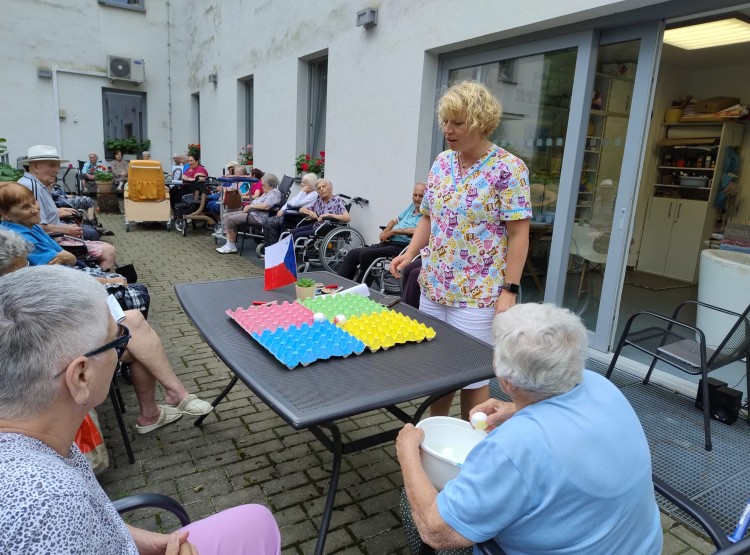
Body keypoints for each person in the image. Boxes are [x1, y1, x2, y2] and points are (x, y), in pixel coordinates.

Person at [0, 265, 282, 554]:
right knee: (257, 523)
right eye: (119, 341)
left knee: (255, 518)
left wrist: (148, 541)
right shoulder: (48, 506)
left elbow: (97, 525)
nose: (124, 351)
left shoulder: (40, 445)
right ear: (81, 376)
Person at [396, 303, 662, 555]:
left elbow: (436, 531)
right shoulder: (601, 385)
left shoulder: (513, 447)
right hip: (642, 546)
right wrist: (515, 409)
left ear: (508, 381)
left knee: (413, 502)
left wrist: (407, 451)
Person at [390, 81, 531, 420]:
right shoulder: (441, 163)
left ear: (481, 122)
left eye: (457, 122)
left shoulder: (509, 169)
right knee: (437, 371)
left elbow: (519, 235)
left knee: (471, 378)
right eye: (445, 122)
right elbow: (428, 216)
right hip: (434, 286)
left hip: (477, 294)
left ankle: (471, 447)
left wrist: (509, 291)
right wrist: (410, 252)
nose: (448, 130)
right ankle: (436, 430)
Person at [0, 229, 213, 433]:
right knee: (140, 344)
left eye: (26, 265)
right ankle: (164, 404)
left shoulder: (17, 289)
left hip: (63, 345)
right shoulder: (10, 302)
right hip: (49, 366)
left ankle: (165, 403)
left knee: (136, 325)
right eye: (19, 270)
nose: (26, 273)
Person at [0, 183, 148, 315]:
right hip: (58, 291)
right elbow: (58, 270)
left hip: (67, 276)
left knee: (127, 282)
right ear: (5, 215)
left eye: (33, 202)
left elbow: (66, 257)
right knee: (139, 292)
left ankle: (123, 330)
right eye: (26, 207)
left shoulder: (29, 226)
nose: (35, 209)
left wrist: (68, 258)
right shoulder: (19, 238)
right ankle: (120, 336)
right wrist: (103, 281)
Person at [18, 146, 118, 270]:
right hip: (49, 243)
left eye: (57, 166)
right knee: (109, 251)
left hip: (49, 240)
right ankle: (100, 283)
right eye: (51, 165)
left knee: (90, 233)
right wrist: (66, 229)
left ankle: (97, 276)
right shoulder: (32, 187)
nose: (57, 170)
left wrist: (60, 219)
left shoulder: (36, 184)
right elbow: (36, 227)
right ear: (35, 167)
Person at [337, 182, 425, 284]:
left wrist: (393, 231)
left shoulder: (427, 213)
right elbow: (394, 220)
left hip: (403, 246)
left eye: (421, 196)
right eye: (415, 195)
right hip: (389, 242)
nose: (417, 199)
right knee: (353, 254)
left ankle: (361, 287)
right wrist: (386, 230)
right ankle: (340, 285)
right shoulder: (412, 207)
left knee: (367, 255)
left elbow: (418, 231)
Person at [216, 173, 282, 254]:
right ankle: (228, 243)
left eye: (264, 185)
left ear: (271, 185)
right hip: (254, 213)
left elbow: (266, 206)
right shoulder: (268, 192)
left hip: (259, 217)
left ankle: (231, 246)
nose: (262, 187)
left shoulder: (275, 192)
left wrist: (251, 206)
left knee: (230, 219)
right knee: (227, 215)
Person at [262, 172, 318, 247]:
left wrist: (301, 192)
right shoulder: (305, 193)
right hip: (289, 214)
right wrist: (282, 209)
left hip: (297, 217)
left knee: (272, 223)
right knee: (265, 222)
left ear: (310, 186)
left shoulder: (313, 194)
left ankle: (274, 247)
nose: (301, 184)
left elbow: (295, 204)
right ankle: (268, 247)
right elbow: (291, 202)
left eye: (304, 183)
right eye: (302, 182)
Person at [289, 178, 350, 243]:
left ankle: (295, 252)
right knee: (292, 232)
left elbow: (347, 218)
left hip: (330, 227)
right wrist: (310, 212)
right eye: (319, 188)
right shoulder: (319, 202)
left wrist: (329, 215)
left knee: (298, 235)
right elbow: (301, 209)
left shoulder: (337, 200)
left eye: (323, 186)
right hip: (318, 226)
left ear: (331, 188)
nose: (321, 189)